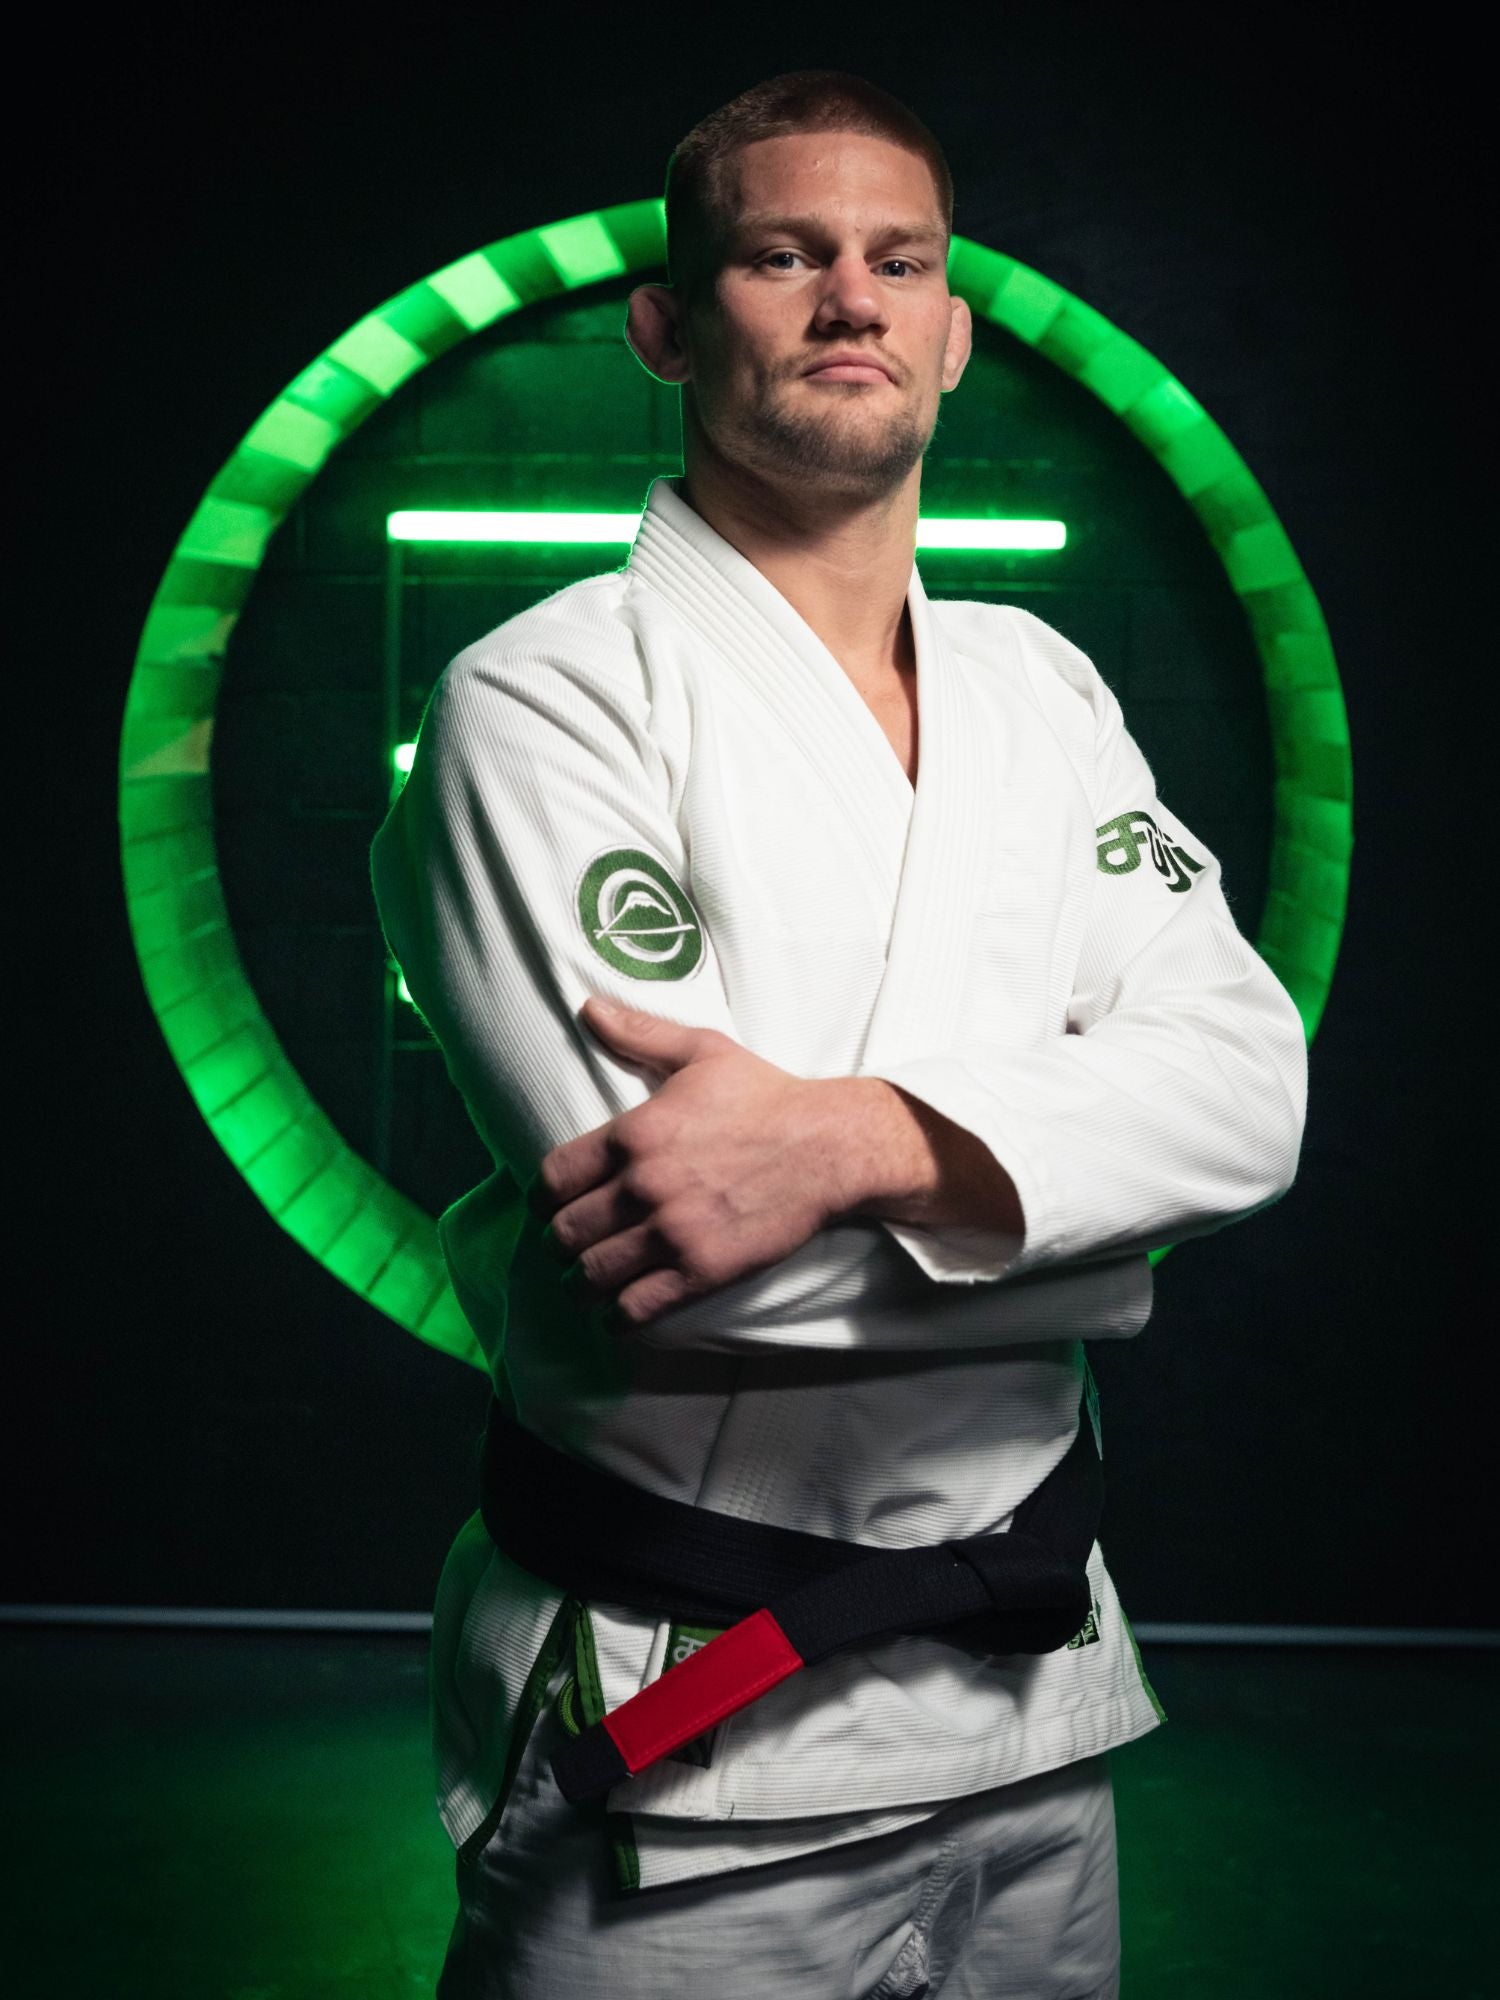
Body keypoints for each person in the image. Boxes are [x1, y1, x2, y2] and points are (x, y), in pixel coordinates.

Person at [371, 69, 1306, 2000]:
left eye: (900, 260)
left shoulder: (1042, 687)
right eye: (783, 256)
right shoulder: (538, 701)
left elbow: (1254, 1092)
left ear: (956, 335)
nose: (851, 299)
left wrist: (858, 1139)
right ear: (666, 325)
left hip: (1033, 1702)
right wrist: (1095, 1237)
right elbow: (691, 1281)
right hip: (691, 1726)